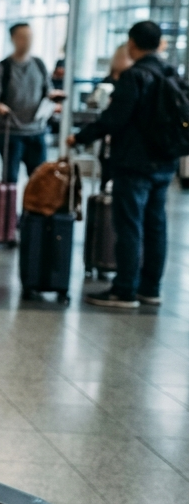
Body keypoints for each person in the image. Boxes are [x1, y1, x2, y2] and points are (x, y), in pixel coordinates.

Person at [70, 21, 176, 309]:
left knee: (129, 225)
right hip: (165, 161)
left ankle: (125, 289)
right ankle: (150, 288)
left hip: (134, 163)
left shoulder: (134, 76)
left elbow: (113, 120)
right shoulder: (171, 73)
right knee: (156, 226)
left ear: (132, 43)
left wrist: (80, 137)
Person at [0, 23, 61, 182]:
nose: (28, 41)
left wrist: (54, 98)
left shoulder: (39, 65)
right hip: (11, 133)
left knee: (38, 180)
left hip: (37, 131)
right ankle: (9, 200)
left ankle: (31, 201)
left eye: (30, 37)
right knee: (10, 179)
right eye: (23, 37)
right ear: (13, 39)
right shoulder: (3, 68)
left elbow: (48, 90)